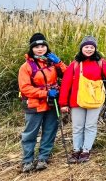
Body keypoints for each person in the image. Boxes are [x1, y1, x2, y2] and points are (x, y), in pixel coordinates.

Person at [59, 36, 106, 163]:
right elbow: (65, 84)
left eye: (92, 47)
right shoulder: (74, 64)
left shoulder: (101, 62)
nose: (89, 49)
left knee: (90, 125)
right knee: (77, 126)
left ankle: (86, 150)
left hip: (95, 100)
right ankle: (76, 150)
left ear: (95, 49)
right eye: (86, 47)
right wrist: (63, 103)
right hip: (76, 100)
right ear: (81, 48)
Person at [18, 33, 67, 173]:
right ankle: (27, 161)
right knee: (30, 133)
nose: (40, 49)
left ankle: (43, 158)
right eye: (36, 47)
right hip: (34, 104)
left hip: (52, 103)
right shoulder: (26, 67)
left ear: (47, 47)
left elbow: (69, 74)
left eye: (43, 46)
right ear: (31, 49)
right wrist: (45, 93)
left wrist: (59, 62)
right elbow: (25, 88)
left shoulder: (51, 62)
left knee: (50, 130)